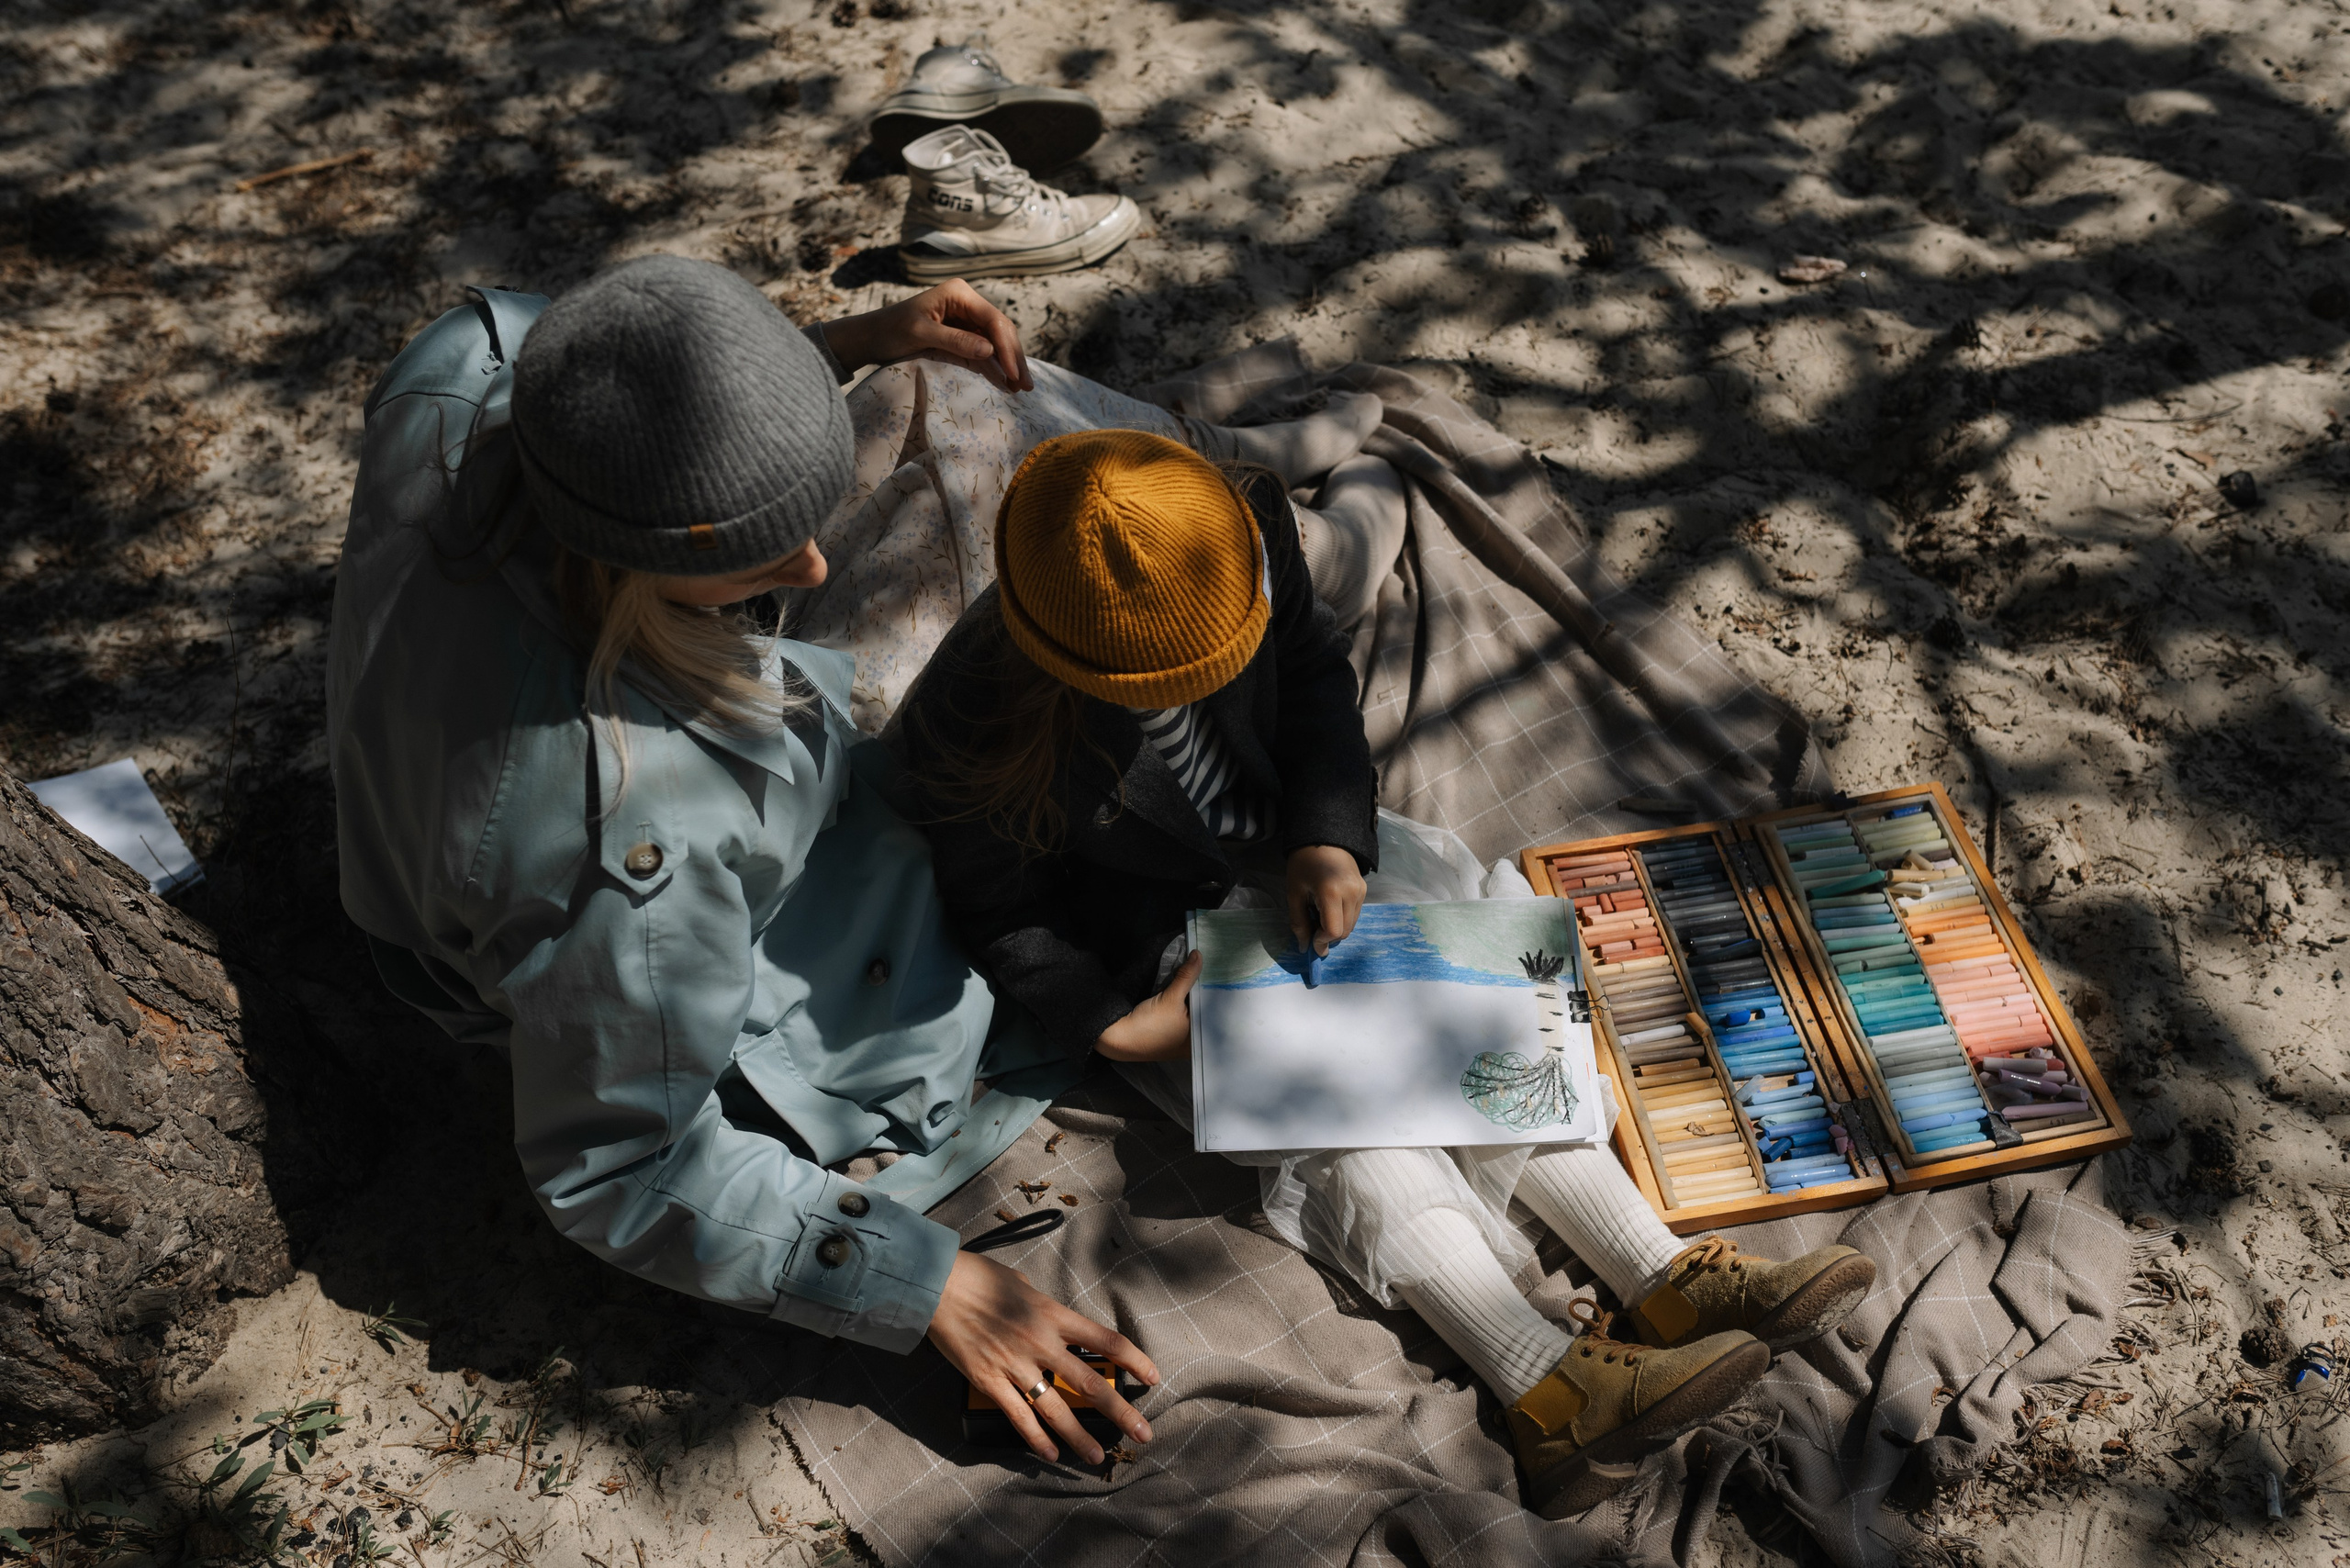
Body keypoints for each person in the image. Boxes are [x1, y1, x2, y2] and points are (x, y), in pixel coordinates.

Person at [891, 430, 1878, 1516]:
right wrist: (1114, 1025)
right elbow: (1002, 907)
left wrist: (1327, 836)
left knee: (1483, 1019)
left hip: (1304, 858)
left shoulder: (1239, 519)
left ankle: (1661, 1271)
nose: (1205, 683)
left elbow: (1313, 676)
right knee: (1341, 1118)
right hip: (1165, 953)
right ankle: (1546, 1386)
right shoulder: (970, 712)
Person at [326, 254, 1189, 1466]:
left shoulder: (469, 366)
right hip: (563, 928)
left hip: (436, 803)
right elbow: (624, 1162)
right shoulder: (637, 838)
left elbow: (636, 403)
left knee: (959, 410)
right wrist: (931, 1282)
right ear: (635, 563)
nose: (812, 570)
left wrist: (829, 349)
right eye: (761, 552)